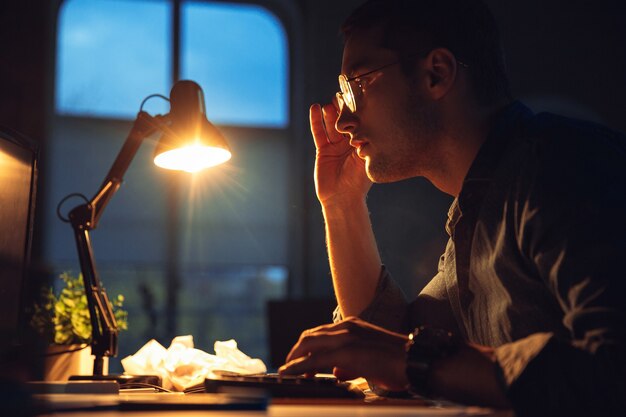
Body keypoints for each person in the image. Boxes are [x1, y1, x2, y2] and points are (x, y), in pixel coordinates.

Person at [278, 0, 626, 415]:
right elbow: (391, 351)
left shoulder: (562, 168)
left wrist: (410, 358)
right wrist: (342, 205)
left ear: (435, 74)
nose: (342, 121)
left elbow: (613, 372)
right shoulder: (478, 207)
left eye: (357, 85)